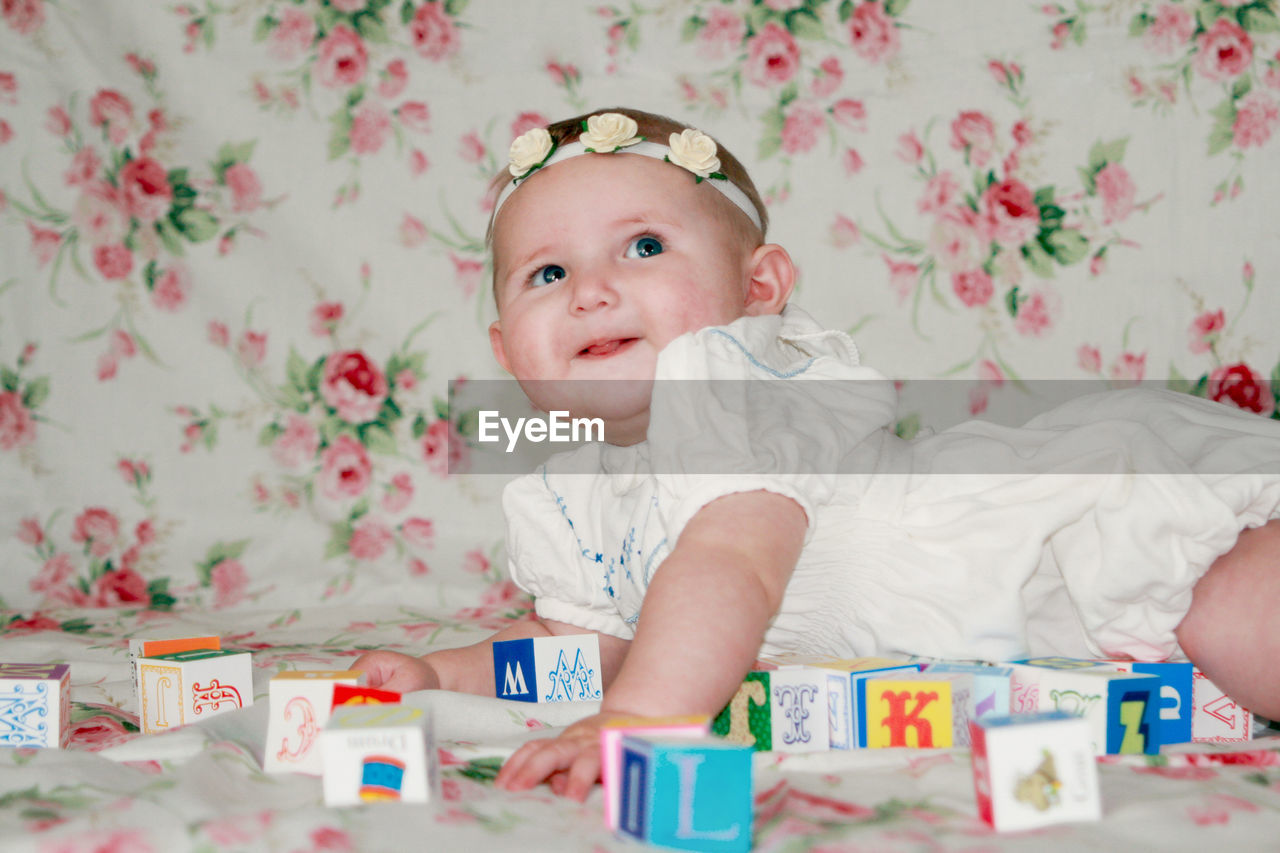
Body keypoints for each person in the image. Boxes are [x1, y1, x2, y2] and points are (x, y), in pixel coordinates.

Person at [352, 107, 1280, 801]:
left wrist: (642, 721)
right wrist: (449, 674)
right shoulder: (567, 499)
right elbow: (583, 648)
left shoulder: (735, 386)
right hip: (1056, 653)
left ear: (759, 291)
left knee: (1239, 612)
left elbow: (730, 560)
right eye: (547, 273)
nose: (592, 291)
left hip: (1061, 535)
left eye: (642, 246)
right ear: (509, 353)